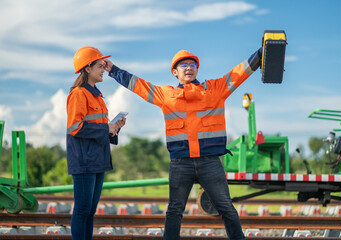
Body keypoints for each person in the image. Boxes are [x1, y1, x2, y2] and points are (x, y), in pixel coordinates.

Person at [104, 47, 262, 240]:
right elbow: (138, 85)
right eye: (184, 65)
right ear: (175, 72)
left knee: (226, 207)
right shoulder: (165, 95)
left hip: (210, 162)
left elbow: (239, 73)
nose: (189, 68)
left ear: (197, 69)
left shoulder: (215, 89)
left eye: (192, 64)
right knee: (174, 210)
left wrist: (262, 54)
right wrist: (113, 70)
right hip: (181, 163)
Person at [66, 46, 126, 240]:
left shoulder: (97, 96)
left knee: (90, 211)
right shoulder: (78, 94)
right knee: (82, 210)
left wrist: (114, 128)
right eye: (99, 66)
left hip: (98, 159)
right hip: (84, 161)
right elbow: (75, 128)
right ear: (87, 68)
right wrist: (106, 128)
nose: (103, 70)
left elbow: (100, 129)